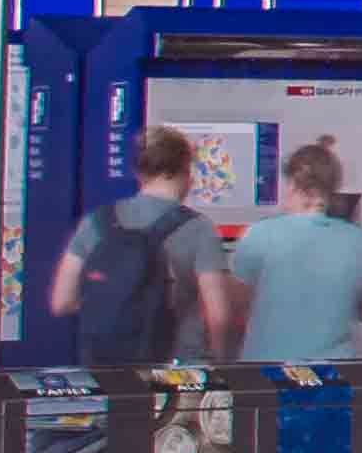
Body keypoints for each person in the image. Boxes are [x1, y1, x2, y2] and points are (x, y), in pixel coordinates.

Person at [35, 125, 234, 366]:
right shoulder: (199, 228)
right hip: (178, 368)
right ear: (184, 169)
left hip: (109, 370)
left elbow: (61, 302)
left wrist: (118, 305)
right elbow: (219, 315)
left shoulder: (97, 222)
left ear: (139, 171)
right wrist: (223, 362)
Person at [228, 139, 362, 363]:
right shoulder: (359, 240)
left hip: (265, 370)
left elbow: (235, 304)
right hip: (333, 372)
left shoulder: (258, 234)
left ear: (293, 185)